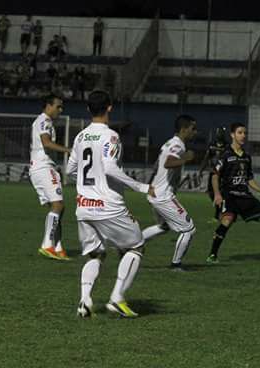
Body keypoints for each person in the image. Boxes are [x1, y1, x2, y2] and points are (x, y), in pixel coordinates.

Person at [66, 90, 156, 318]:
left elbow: (70, 170)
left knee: (96, 254)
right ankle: (117, 298)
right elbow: (109, 168)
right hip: (107, 205)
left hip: (83, 206)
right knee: (137, 246)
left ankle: (85, 300)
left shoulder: (80, 137)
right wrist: (142, 187)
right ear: (109, 107)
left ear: (88, 109)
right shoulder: (111, 136)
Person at [206, 122, 260, 264]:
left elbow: (249, 179)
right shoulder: (225, 155)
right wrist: (217, 194)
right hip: (229, 196)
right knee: (226, 222)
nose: (243, 136)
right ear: (232, 135)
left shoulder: (247, 157)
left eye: (244, 133)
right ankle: (212, 255)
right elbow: (215, 175)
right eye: (240, 132)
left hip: (245, 196)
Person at [142, 115, 198, 271]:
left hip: (156, 192)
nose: (195, 132)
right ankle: (176, 265)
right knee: (189, 229)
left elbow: (158, 165)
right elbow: (168, 163)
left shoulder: (169, 143)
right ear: (184, 129)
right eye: (193, 128)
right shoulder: (178, 145)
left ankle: (130, 245)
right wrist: (186, 159)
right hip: (163, 196)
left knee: (164, 226)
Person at [29, 93, 71, 260]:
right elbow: (46, 143)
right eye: (58, 106)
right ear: (48, 105)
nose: (60, 110)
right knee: (58, 206)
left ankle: (58, 247)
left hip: (40, 168)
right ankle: (47, 245)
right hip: (44, 168)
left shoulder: (43, 121)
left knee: (59, 207)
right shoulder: (44, 121)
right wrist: (69, 150)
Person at [198, 126, 228, 221]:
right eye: (218, 132)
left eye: (221, 133)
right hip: (213, 172)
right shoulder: (212, 145)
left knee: (220, 193)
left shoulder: (227, 146)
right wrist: (201, 169)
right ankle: (220, 209)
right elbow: (207, 157)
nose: (219, 134)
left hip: (223, 174)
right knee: (211, 193)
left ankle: (218, 214)